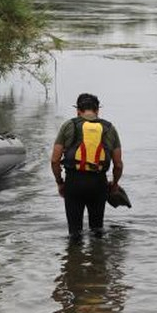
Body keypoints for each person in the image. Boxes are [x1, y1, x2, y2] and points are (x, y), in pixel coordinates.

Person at [51, 93, 124, 236]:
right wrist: (114, 184)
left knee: (74, 233)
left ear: (78, 111)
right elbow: (118, 164)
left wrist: (60, 183)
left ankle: (74, 256)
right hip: (98, 184)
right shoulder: (109, 128)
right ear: (97, 110)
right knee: (97, 231)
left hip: (74, 183)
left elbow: (54, 161)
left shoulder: (68, 125)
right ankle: (97, 256)